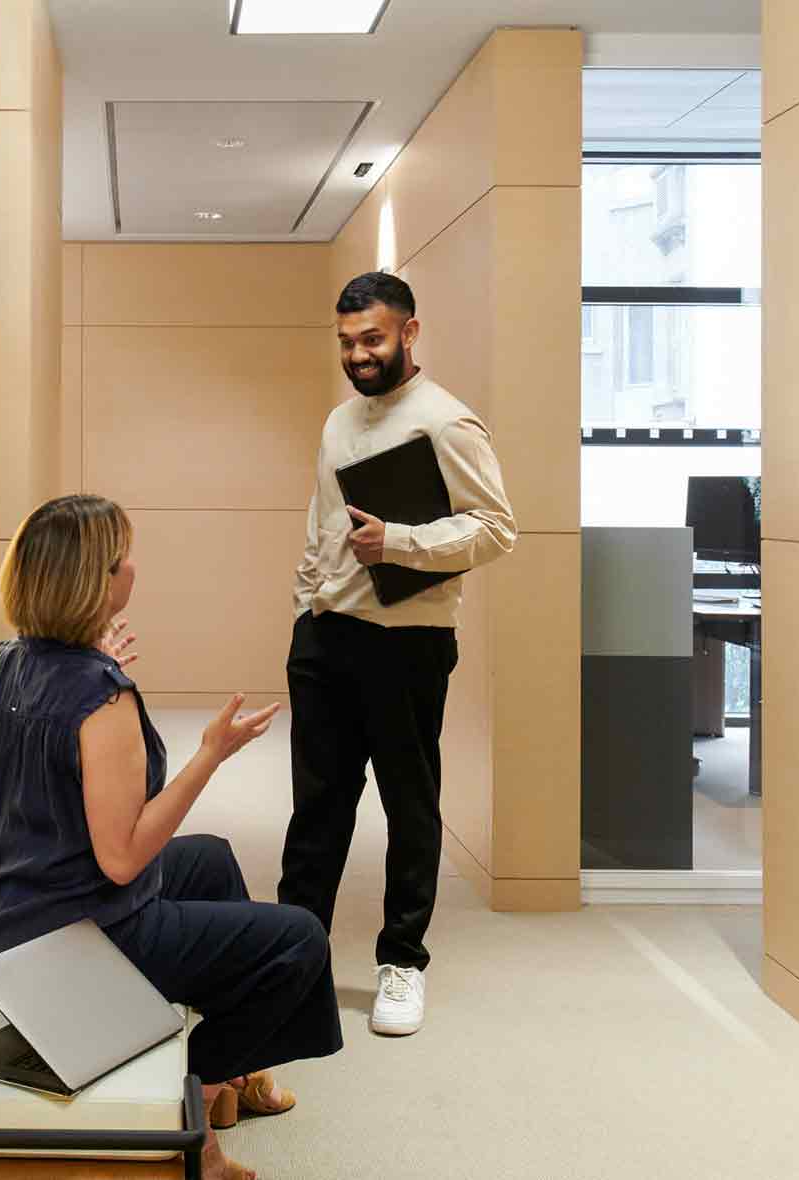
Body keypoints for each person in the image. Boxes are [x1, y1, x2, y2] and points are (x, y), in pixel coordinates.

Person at [0, 495, 342, 1180]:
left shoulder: (12, 661)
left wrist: (96, 664)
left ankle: (227, 1095)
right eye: (121, 557)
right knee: (300, 940)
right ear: (96, 581)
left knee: (212, 858)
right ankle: (193, 1087)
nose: (133, 565)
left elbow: (61, 744)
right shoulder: (101, 698)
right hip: (69, 940)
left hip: (5, 912)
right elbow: (125, 857)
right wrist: (210, 756)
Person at [282, 271, 515, 1038]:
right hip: (326, 640)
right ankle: (292, 957)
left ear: (410, 332)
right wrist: (306, 605)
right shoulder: (337, 422)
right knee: (317, 809)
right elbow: (321, 523)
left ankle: (402, 963)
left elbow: (496, 528)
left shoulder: (448, 424)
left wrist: (402, 542)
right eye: (347, 342)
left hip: (409, 645)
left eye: (373, 339)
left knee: (409, 807)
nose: (358, 355)